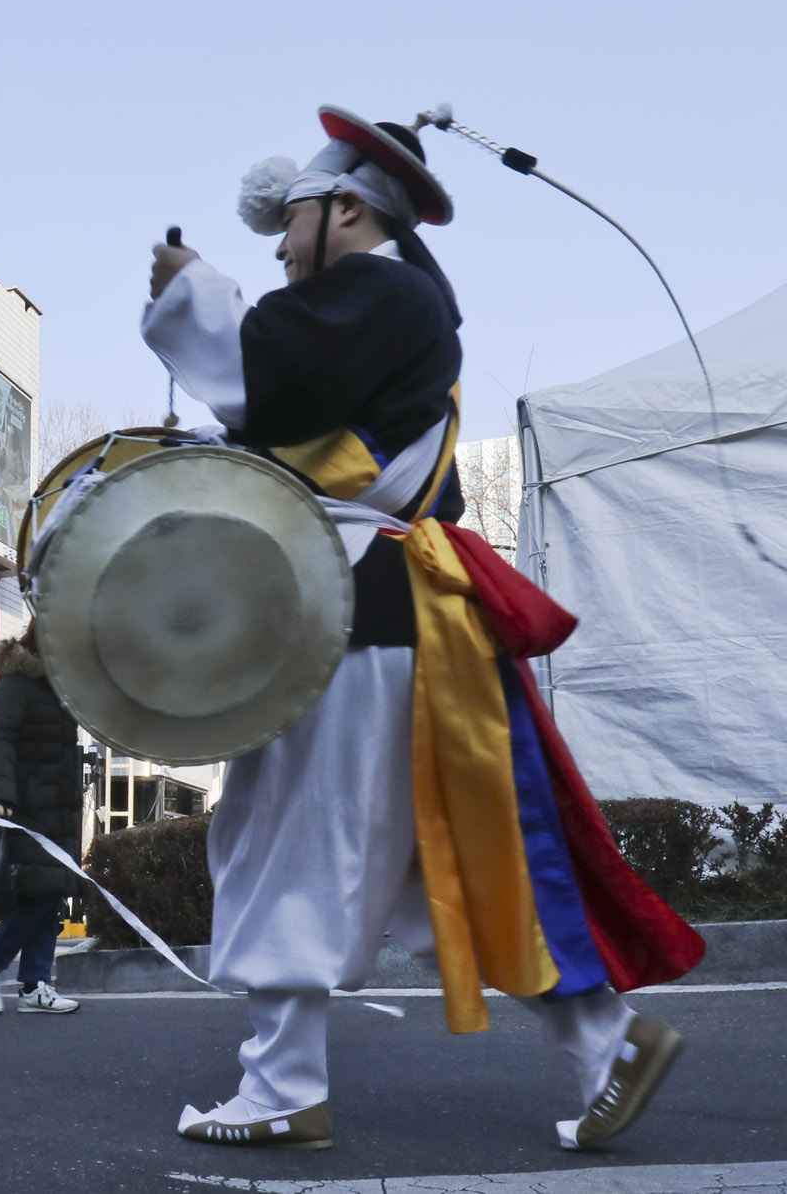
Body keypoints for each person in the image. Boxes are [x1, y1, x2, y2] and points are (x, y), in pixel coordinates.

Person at [138, 107, 703, 1151]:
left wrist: (188, 286)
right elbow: (287, 420)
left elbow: (258, 375)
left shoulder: (374, 290)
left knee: (281, 840)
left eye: (291, 220)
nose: (276, 246)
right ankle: (600, 1037)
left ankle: (279, 1088)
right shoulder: (400, 303)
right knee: (434, 853)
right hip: (400, 617)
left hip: (354, 619)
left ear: (345, 206)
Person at [0, 628, 82, 1015]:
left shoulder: (63, 688)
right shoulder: (15, 680)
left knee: (50, 897)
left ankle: (34, 985)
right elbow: (1, 736)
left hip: (58, 808)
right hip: (22, 805)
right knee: (39, 892)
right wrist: (0, 793)